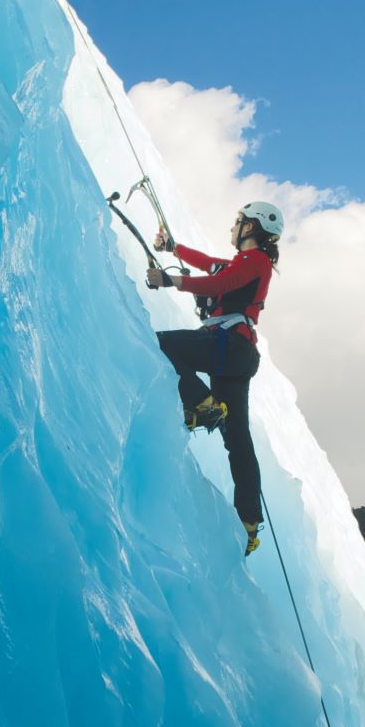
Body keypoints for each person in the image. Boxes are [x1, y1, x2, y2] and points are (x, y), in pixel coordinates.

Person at [145, 201, 283, 556]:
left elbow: (220, 281)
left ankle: (202, 405)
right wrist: (173, 249)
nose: (233, 227)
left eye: (238, 222)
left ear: (251, 228)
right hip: (237, 354)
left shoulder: (255, 261)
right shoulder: (245, 263)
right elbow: (208, 263)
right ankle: (249, 523)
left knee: (159, 344)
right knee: (238, 440)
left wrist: (170, 280)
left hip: (228, 344)